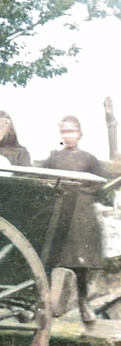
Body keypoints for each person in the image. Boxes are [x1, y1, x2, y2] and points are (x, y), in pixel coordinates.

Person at [40, 115, 107, 325]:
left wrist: (83, 192)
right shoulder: (53, 158)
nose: (68, 136)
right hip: (59, 213)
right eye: (64, 132)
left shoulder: (89, 159)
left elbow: (99, 187)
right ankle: (45, 304)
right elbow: (44, 182)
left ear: (80, 134)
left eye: (72, 131)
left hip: (81, 215)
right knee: (51, 258)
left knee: (81, 262)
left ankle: (83, 304)